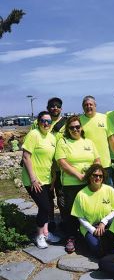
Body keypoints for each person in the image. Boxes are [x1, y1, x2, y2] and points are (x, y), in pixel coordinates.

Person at [55, 115, 100, 252]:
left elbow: (97, 160)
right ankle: (71, 237)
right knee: (71, 212)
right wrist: (79, 175)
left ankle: (86, 234)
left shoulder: (89, 142)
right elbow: (62, 162)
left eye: (77, 127)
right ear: (68, 129)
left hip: (89, 182)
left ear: (81, 128)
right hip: (71, 184)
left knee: (87, 210)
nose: (75, 129)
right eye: (72, 127)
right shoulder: (63, 142)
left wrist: (92, 174)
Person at [22, 111, 60, 248]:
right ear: (38, 122)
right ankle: (39, 236)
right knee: (44, 208)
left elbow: (51, 160)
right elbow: (26, 157)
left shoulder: (51, 138)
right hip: (33, 180)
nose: (46, 124)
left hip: (46, 179)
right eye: (43, 121)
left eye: (49, 122)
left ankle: (46, 232)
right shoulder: (34, 134)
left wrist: (54, 176)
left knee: (47, 207)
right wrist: (33, 179)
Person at [31, 97, 66, 231]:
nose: (55, 108)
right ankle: (49, 220)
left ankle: (63, 220)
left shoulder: (66, 123)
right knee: (48, 197)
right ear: (47, 107)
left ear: (61, 108)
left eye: (57, 106)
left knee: (61, 196)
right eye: (52, 106)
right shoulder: (37, 123)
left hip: (60, 168)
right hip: (44, 168)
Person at [71, 164, 114, 256]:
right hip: (89, 226)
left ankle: (107, 239)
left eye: (100, 176)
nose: (98, 178)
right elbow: (80, 217)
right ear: (89, 176)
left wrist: (103, 222)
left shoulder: (110, 190)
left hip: (106, 223)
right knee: (97, 249)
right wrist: (93, 230)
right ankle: (86, 239)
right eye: (95, 175)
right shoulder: (81, 194)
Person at [80, 95, 114, 186]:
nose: (88, 106)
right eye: (86, 105)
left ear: (95, 106)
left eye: (91, 104)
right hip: (87, 164)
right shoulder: (79, 121)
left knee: (108, 190)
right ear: (83, 107)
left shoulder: (104, 118)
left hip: (105, 164)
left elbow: (112, 140)